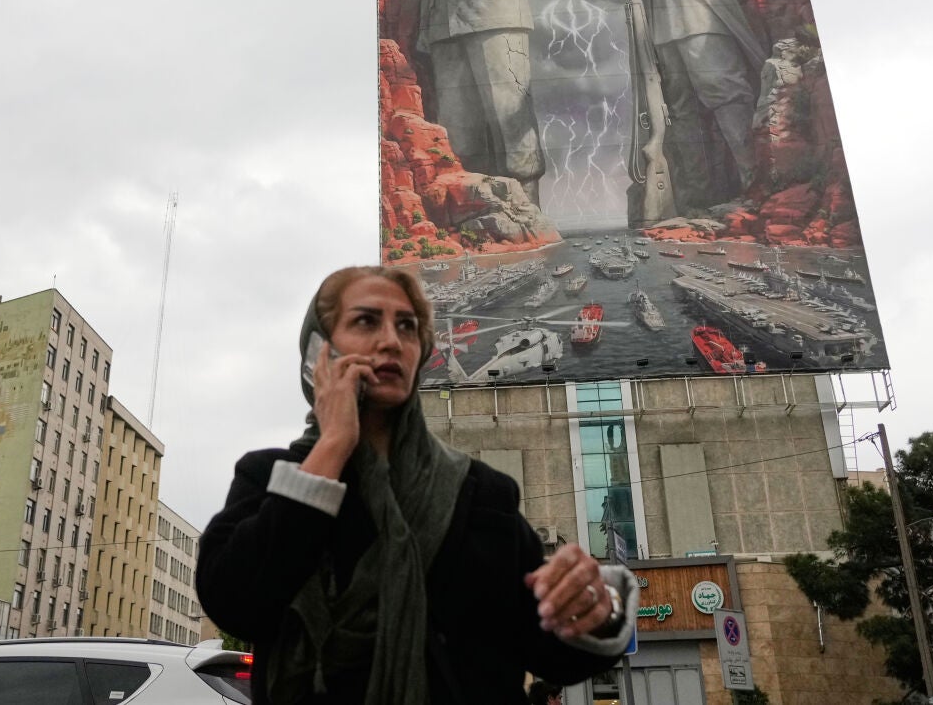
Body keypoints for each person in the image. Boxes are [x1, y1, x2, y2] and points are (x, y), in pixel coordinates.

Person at [197, 266, 636, 704]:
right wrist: (333, 445)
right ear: (318, 353)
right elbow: (237, 603)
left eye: (407, 327)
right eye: (366, 321)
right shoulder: (269, 477)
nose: (392, 340)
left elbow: (549, 653)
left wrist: (597, 609)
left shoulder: (479, 493)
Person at [601, 0, 768, 205]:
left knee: (724, 90)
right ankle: (698, 195)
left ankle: (755, 181)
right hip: (653, 5)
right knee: (678, 107)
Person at [418, 0, 546, 205]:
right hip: (445, 33)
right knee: (458, 134)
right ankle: (479, 210)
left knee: (510, 123)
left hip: (495, 23)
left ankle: (529, 208)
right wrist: (425, 32)